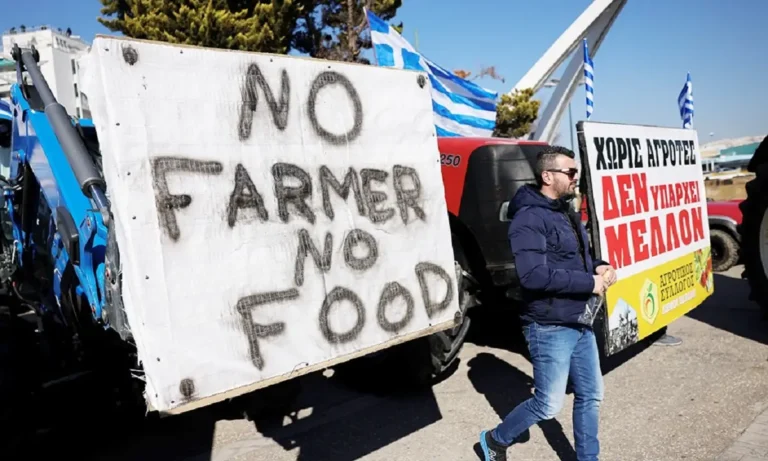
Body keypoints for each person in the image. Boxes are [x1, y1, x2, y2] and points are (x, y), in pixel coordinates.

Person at [479, 145, 617, 461]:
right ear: (547, 175)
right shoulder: (528, 218)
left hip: (578, 318)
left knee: (591, 395)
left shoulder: (564, 211)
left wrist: (598, 265)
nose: (574, 178)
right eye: (569, 172)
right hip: (549, 325)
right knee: (547, 403)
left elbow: (573, 258)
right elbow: (533, 276)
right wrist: (590, 283)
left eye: (575, 172)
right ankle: (494, 440)